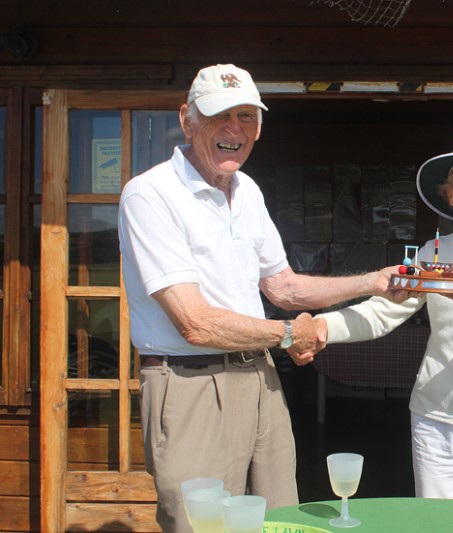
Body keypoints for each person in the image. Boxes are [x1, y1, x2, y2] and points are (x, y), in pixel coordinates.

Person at [118, 63, 394, 533]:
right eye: (219, 115)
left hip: (260, 377)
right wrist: (290, 333)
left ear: (260, 127)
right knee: (200, 526)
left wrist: (374, 281)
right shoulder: (150, 194)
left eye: (246, 116)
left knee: (278, 518)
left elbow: (282, 287)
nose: (234, 129)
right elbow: (195, 323)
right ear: (187, 120)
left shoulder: (247, 190)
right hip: (190, 383)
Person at [293, 135, 453, 504]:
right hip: (433, 421)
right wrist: (323, 327)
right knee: (436, 525)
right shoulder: (434, 252)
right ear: (449, 194)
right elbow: (383, 311)